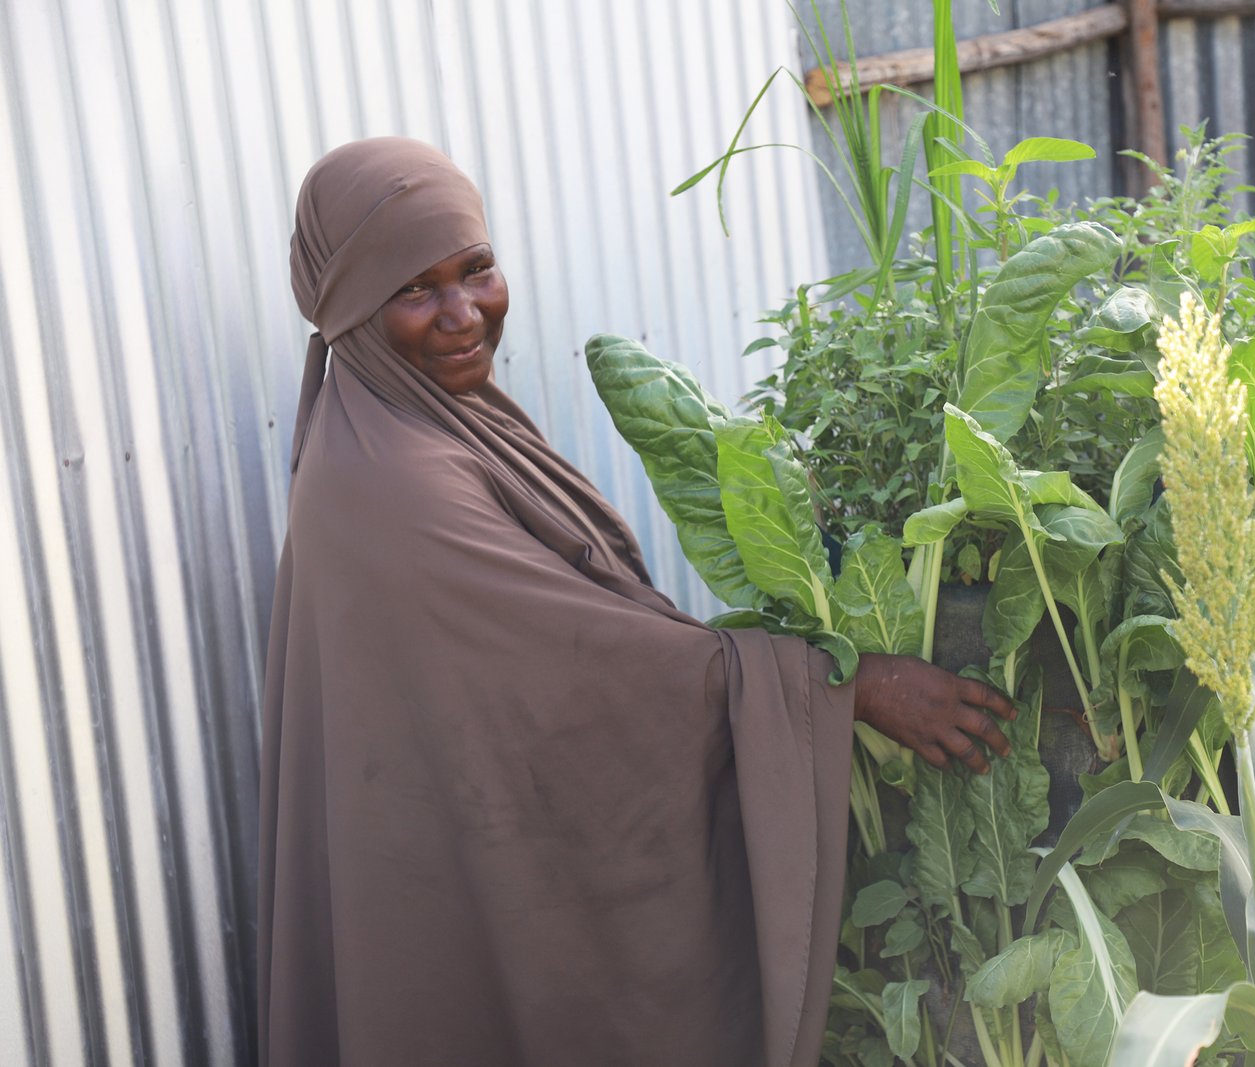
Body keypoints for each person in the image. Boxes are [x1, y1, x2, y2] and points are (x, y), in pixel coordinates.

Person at [258, 137, 1016, 1067]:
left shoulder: (413, 417)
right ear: (352, 310)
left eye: (477, 269)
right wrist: (848, 686)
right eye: (415, 290)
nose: (464, 314)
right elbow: (586, 674)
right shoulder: (392, 484)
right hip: (441, 896)